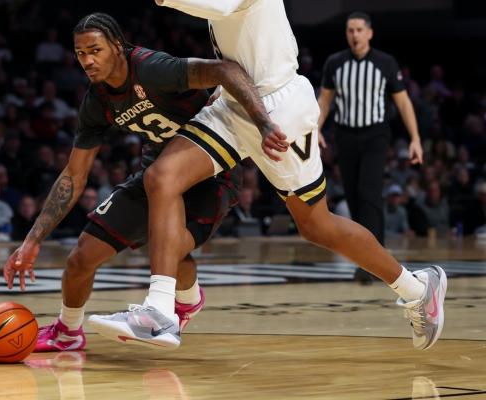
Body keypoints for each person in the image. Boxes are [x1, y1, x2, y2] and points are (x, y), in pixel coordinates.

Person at [89, 0, 447, 352]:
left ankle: (416, 288)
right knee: (161, 177)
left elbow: (223, 8)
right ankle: (159, 311)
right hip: (234, 100)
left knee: (316, 224)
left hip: (279, 106)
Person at [3, 12, 275, 351]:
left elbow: (224, 70)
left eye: (95, 50)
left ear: (117, 46)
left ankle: (185, 301)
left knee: (170, 248)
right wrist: (32, 241)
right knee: (80, 258)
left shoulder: (151, 68)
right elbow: (73, 175)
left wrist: (264, 124)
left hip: (212, 173)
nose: (87, 61)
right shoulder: (97, 101)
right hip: (156, 172)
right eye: (80, 53)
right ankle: (67, 332)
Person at [317, 11, 423, 248]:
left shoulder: (386, 62)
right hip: (345, 135)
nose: (354, 35)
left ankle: (375, 252)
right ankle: (363, 253)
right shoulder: (335, 62)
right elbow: (324, 101)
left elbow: (403, 102)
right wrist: (316, 128)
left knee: (368, 192)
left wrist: (415, 138)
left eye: (359, 30)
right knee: (353, 195)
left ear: (369, 33)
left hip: (375, 135)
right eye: (350, 30)